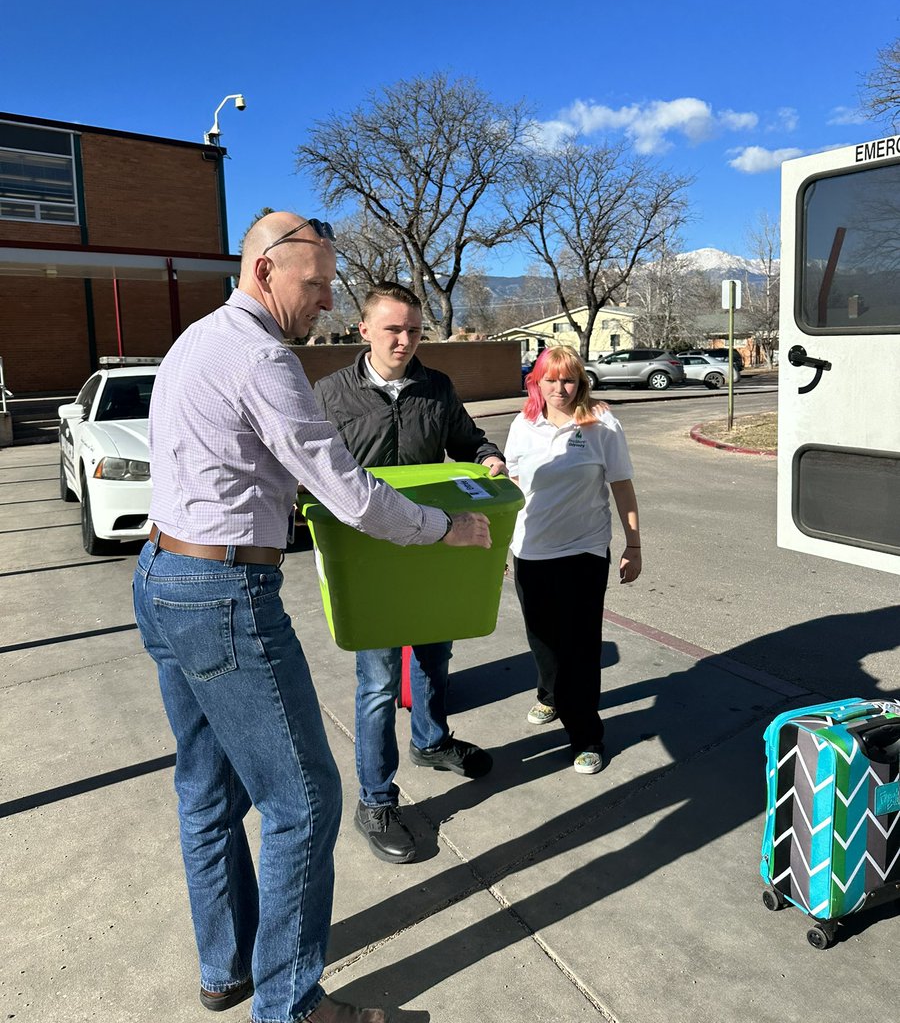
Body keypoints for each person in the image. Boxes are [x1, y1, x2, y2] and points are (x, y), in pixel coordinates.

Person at [131, 215, 490, 1023]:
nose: (326, 300)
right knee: (306, 800)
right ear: (264, 270)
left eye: (331, 284)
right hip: (223, 594)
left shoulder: (196, 339)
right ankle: (290, 1007)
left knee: (207, 789)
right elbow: (346, 490)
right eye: (316, 282)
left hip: (163, 576)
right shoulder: (263, 356)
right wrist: (447, 528)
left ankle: (228, 971)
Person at [313, 282, 506, 864]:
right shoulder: (330, 395)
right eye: (393, 329)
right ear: (363, 329)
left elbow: (469, 441)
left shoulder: (436, 388)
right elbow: (312, 469)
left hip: (430, 544)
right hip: (366, 556)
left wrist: (488, 456)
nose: (404, 340)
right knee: (375, 683)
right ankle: (375, 800)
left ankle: (430, 741)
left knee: (432, 656)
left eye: (414, 330)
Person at [505, 345, 641, 775]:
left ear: (581, 382)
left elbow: (621, 485)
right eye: (550, 379)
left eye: (569, 380)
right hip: (531, 549)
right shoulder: (522, 425)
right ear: (536, 383)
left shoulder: (602, 424)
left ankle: (586, 735)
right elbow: (511, 485)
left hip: (584, 549)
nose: (560, 388)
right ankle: (549, 694)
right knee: (542, 639)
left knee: (581, 646)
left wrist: (633, 545)